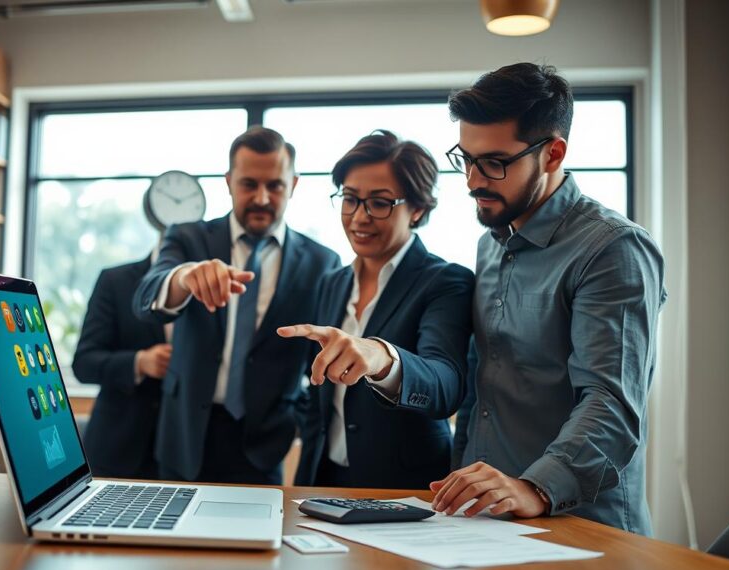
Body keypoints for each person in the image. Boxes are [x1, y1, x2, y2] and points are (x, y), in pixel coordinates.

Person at [430, 63, 666, 536]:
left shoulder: (613, 248)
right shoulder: (490, 243)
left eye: (495, 162)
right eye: (466, 158)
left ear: (553, 153)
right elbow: (484, 388)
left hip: (583, 527)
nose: (473, 180)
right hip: (489, 522)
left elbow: (612, 402)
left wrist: (535, 488)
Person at [133, 126, 340, 485]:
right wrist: (184, 277)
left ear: (293, 185)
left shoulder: (323, 262)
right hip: (184, 437)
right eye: (248, 184)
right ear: (229, 182)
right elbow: (146, 296)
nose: (261, 197)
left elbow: (321, 364)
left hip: (263, 448)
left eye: (274, 185)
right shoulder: (188, 237)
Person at [280, 131, 473, 489]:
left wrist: (382, 357)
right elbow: (316, 390)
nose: (359, 217)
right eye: (350, 199)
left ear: (417, 209)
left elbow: (446, 385)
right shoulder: (332, 283)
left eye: (380, 203)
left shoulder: (446, 281)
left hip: (405, 488)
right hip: (323, 479)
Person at [73, 255, 170, 479]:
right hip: (116, 451)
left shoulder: (213, 284)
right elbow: (84, 362)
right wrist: (139, 362)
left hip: (188, 458)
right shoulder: (115, 280)